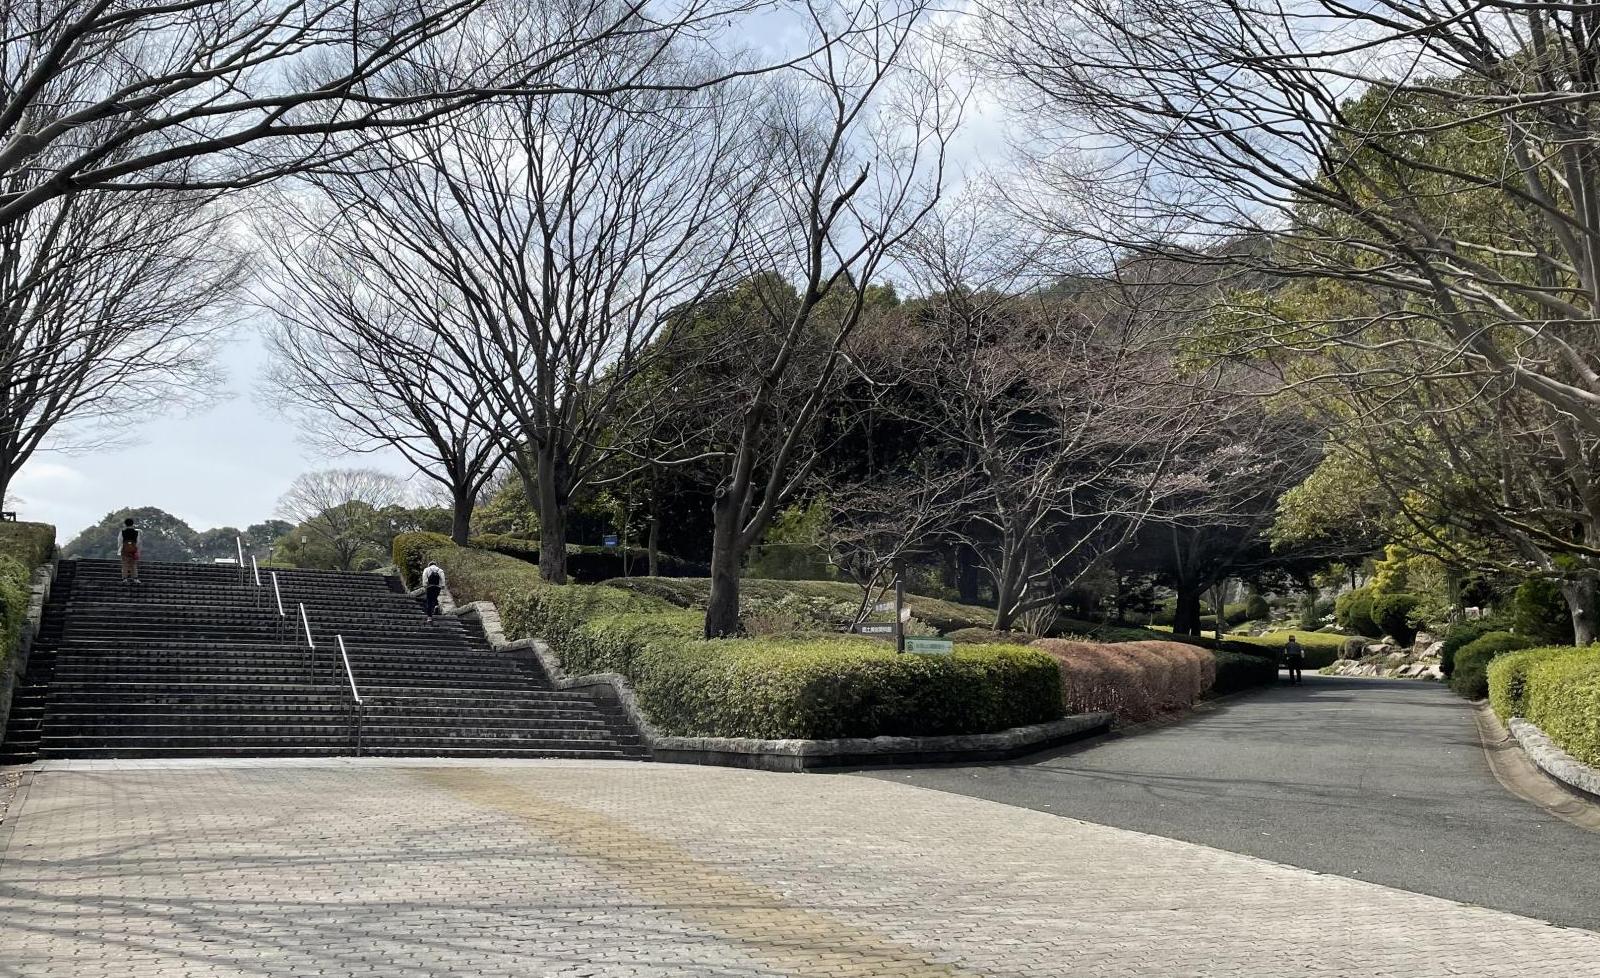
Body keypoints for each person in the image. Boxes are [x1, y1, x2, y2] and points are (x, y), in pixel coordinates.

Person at [118, 518, 141, 584]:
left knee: (125, 564)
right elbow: (138, 542)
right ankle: (135, 578)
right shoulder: (137, 532)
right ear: (132, 524)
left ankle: (125, 578)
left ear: (125, 524)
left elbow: (119, 541)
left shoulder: (122, 532)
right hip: (133, 550)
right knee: (133, 564)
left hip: (124, 550)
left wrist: (121, 547)